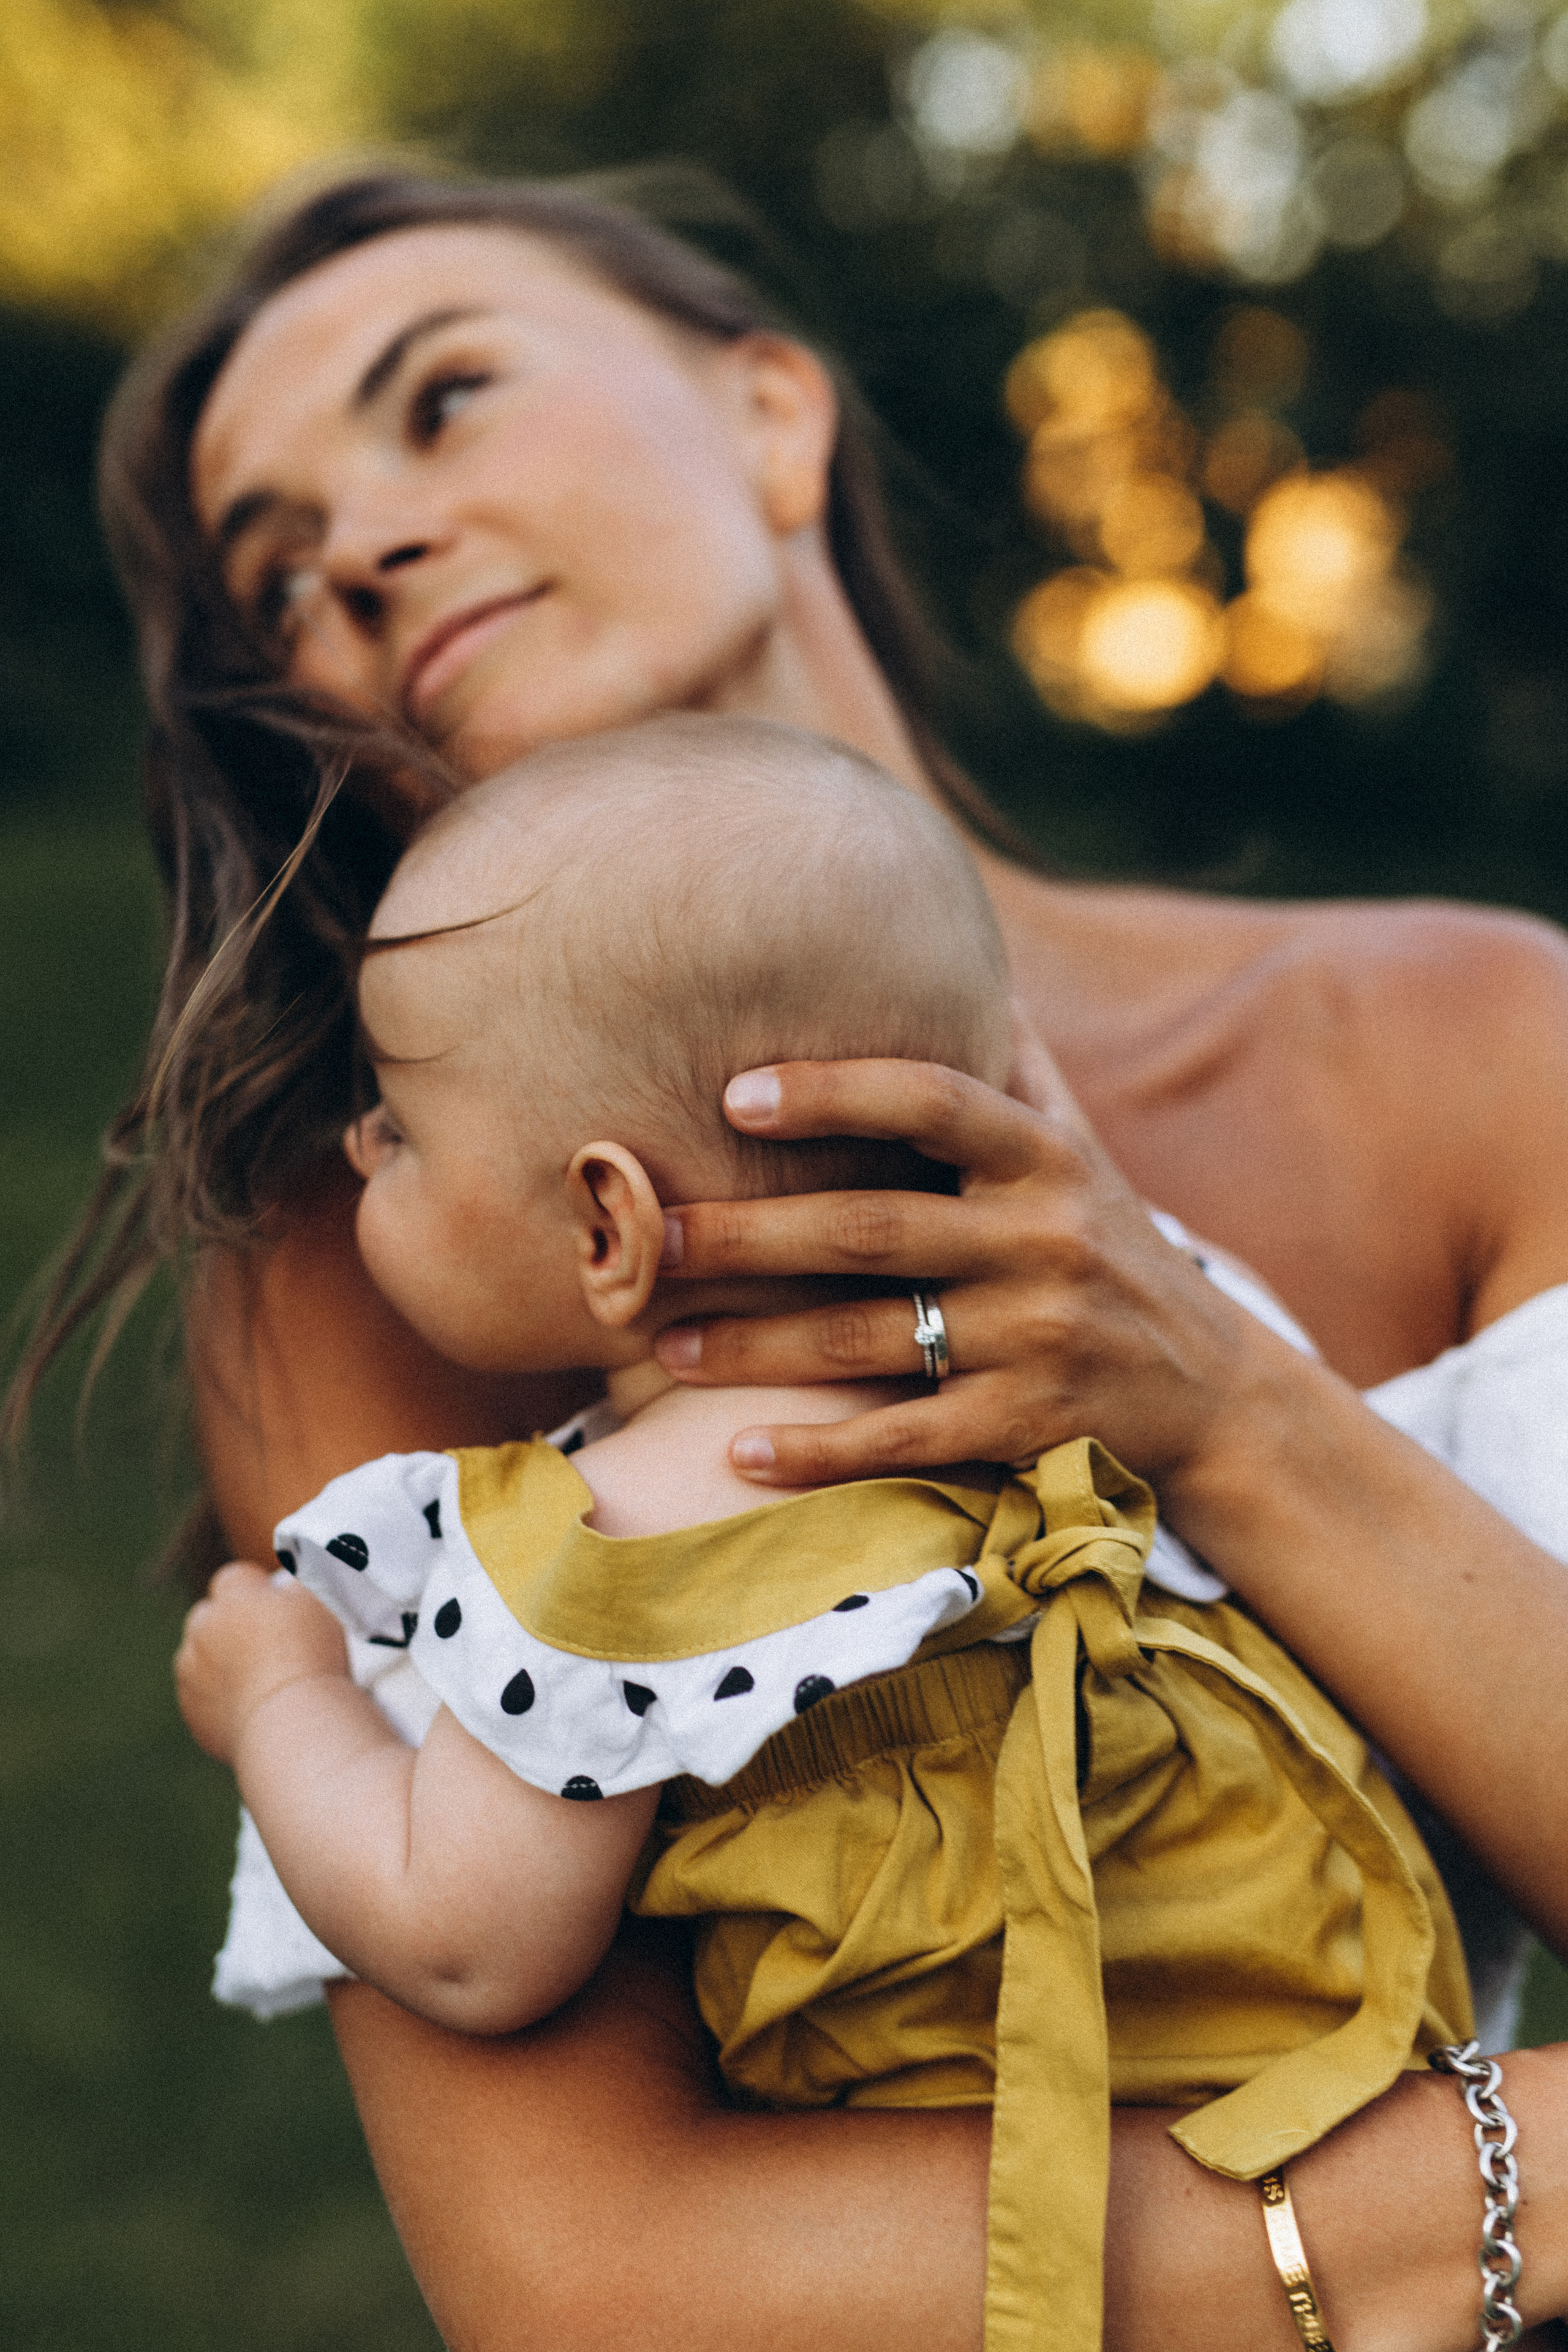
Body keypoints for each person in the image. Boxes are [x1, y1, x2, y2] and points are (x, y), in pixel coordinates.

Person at [30, 161, 1568, 2343]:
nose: (353, 552)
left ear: (770, 414)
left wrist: (1226, 1412)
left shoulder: (1482, 1046)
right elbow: (599, 2282)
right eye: (274, 571)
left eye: (442, 398)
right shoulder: (382, 1274)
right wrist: (1517, 2182)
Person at [173, 718, 1473, 2352]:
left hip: (980, 2260)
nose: (363, 1150)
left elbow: (465, 1938)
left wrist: (281, 1697)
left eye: (400, 1126)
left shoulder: (612, 1551)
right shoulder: (1072, 1416)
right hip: (1364, 2141)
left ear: (606, 1225)